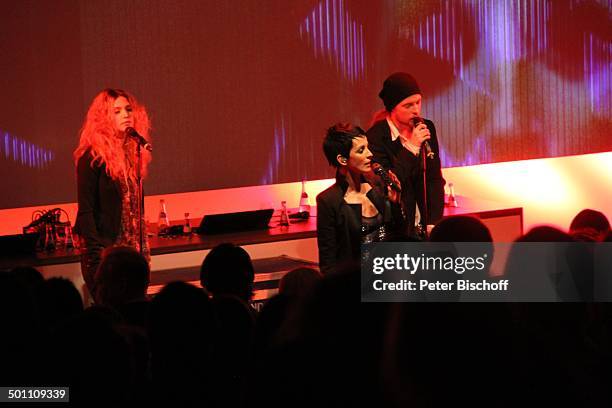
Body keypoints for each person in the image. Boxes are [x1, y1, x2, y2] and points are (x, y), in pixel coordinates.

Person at [74, 88, 152, 302]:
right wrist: (95, 254)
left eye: (128, 109)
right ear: (103, 118)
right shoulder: (91, 156)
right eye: (116, 111)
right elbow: (86, 210)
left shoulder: (133, 153)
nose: (126, 115)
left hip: (133, 251)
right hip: (106, 253)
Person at [316, 123, 405, 275]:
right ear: (342, 159)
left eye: (367, 147)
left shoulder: (377, 188)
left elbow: (399, 235)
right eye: (361, 150)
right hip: (354, 285)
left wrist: (395, 204)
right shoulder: (329, 201)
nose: (369, 154)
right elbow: (328, 262)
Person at [366, 72, 445, 239]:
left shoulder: (426, 126)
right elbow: (390, 183)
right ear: (392, 108)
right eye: (408, 105)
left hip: (424, 226)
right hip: (397, 228)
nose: (416, 110)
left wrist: (434, 222)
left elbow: (434, 178)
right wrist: (411, 147)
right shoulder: (376, 136)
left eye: (418, 102)